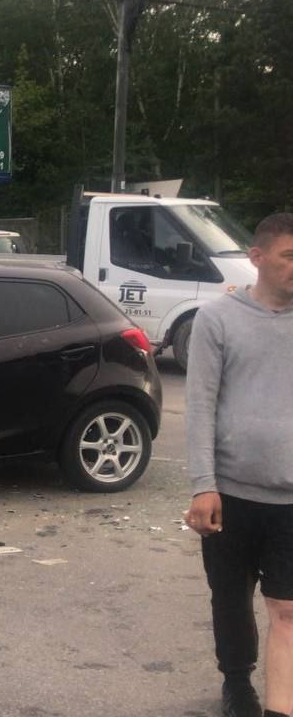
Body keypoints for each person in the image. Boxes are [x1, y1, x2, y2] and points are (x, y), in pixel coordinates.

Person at [186, 212, 293, 717]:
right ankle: (237, 683)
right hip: (229, 494)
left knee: (287, 609)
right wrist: (203, 485)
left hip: (290, 499)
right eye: (289, 256)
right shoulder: (218, 319)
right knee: (230, 600)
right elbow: (201, 405)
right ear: (257, 258)